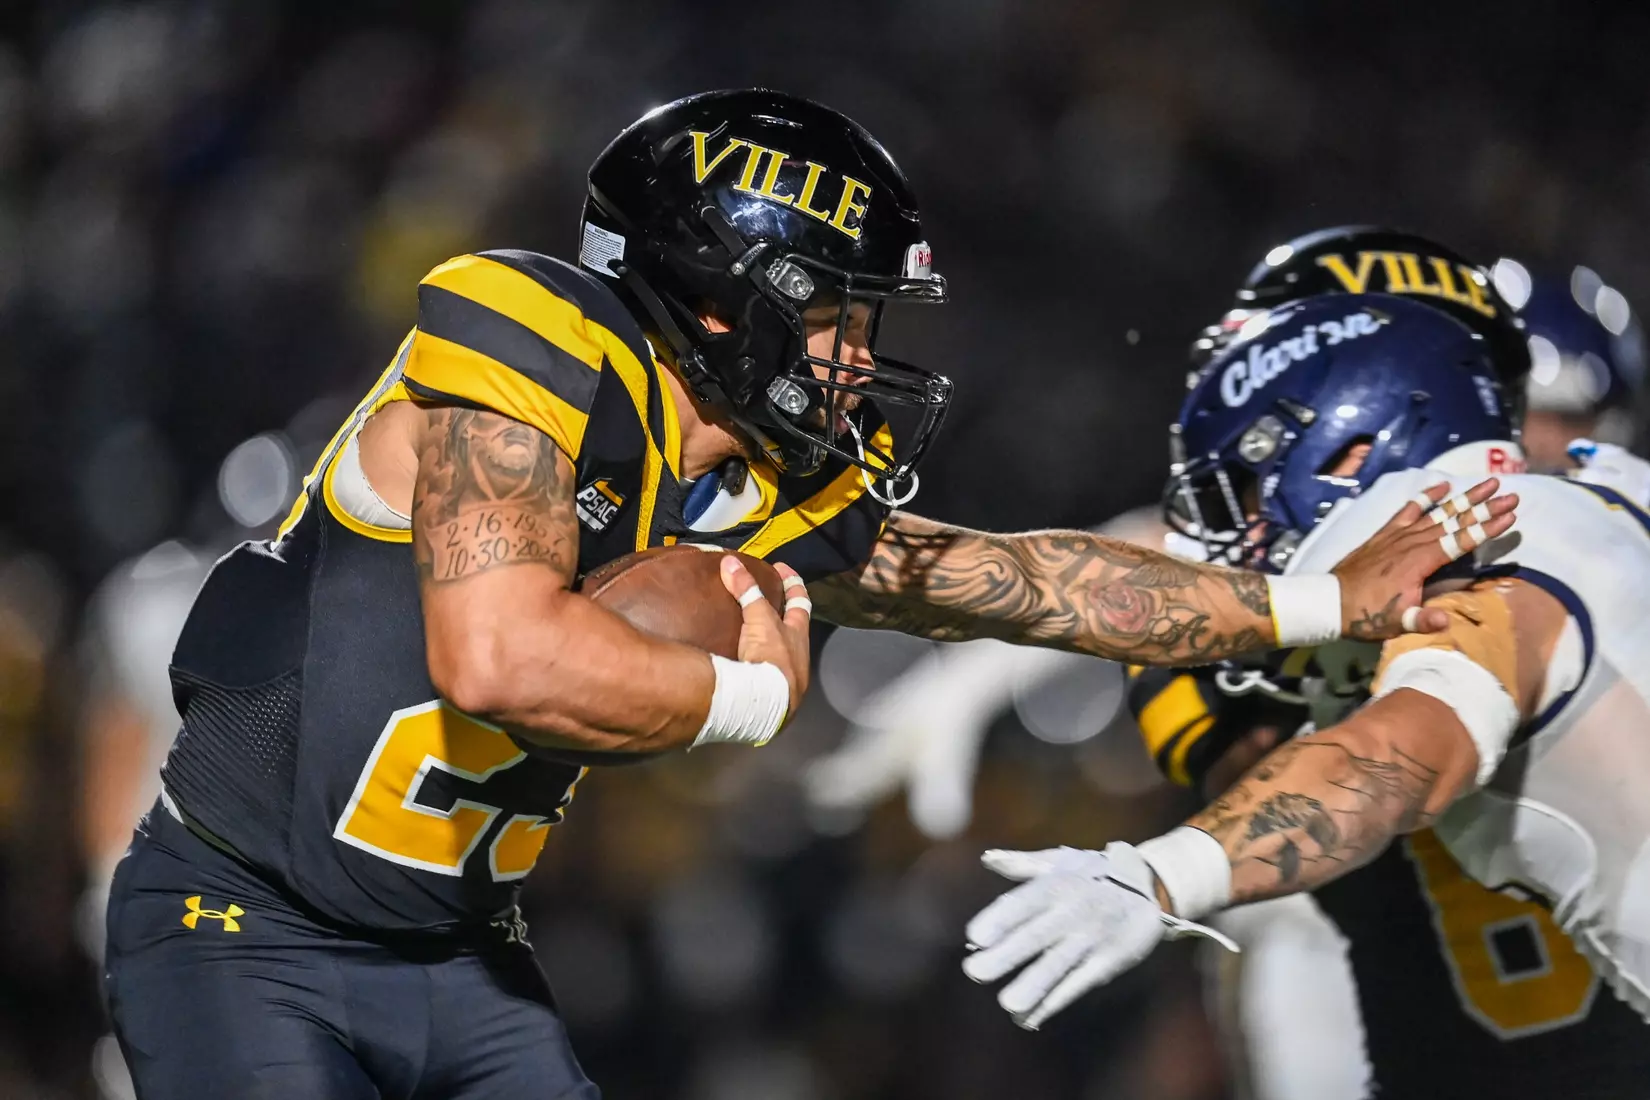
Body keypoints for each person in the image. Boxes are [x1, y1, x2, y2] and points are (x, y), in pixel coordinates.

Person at [103, 90, 1505, 1099]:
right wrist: (735, 700)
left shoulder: (746, 482)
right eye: (835, 312)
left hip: (457, 957)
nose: (853, 358)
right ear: (727, 289)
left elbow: (1023, 585)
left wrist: (1326, 610)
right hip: (244, 932)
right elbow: (492, 656)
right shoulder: (529, 338)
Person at [963, 293, 1650, 1100]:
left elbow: (1396, 757)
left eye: (1250, 498)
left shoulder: (1491, 568)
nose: (1243, 546)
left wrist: (1163, 874)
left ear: (1350, 456)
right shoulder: (1592, 500)